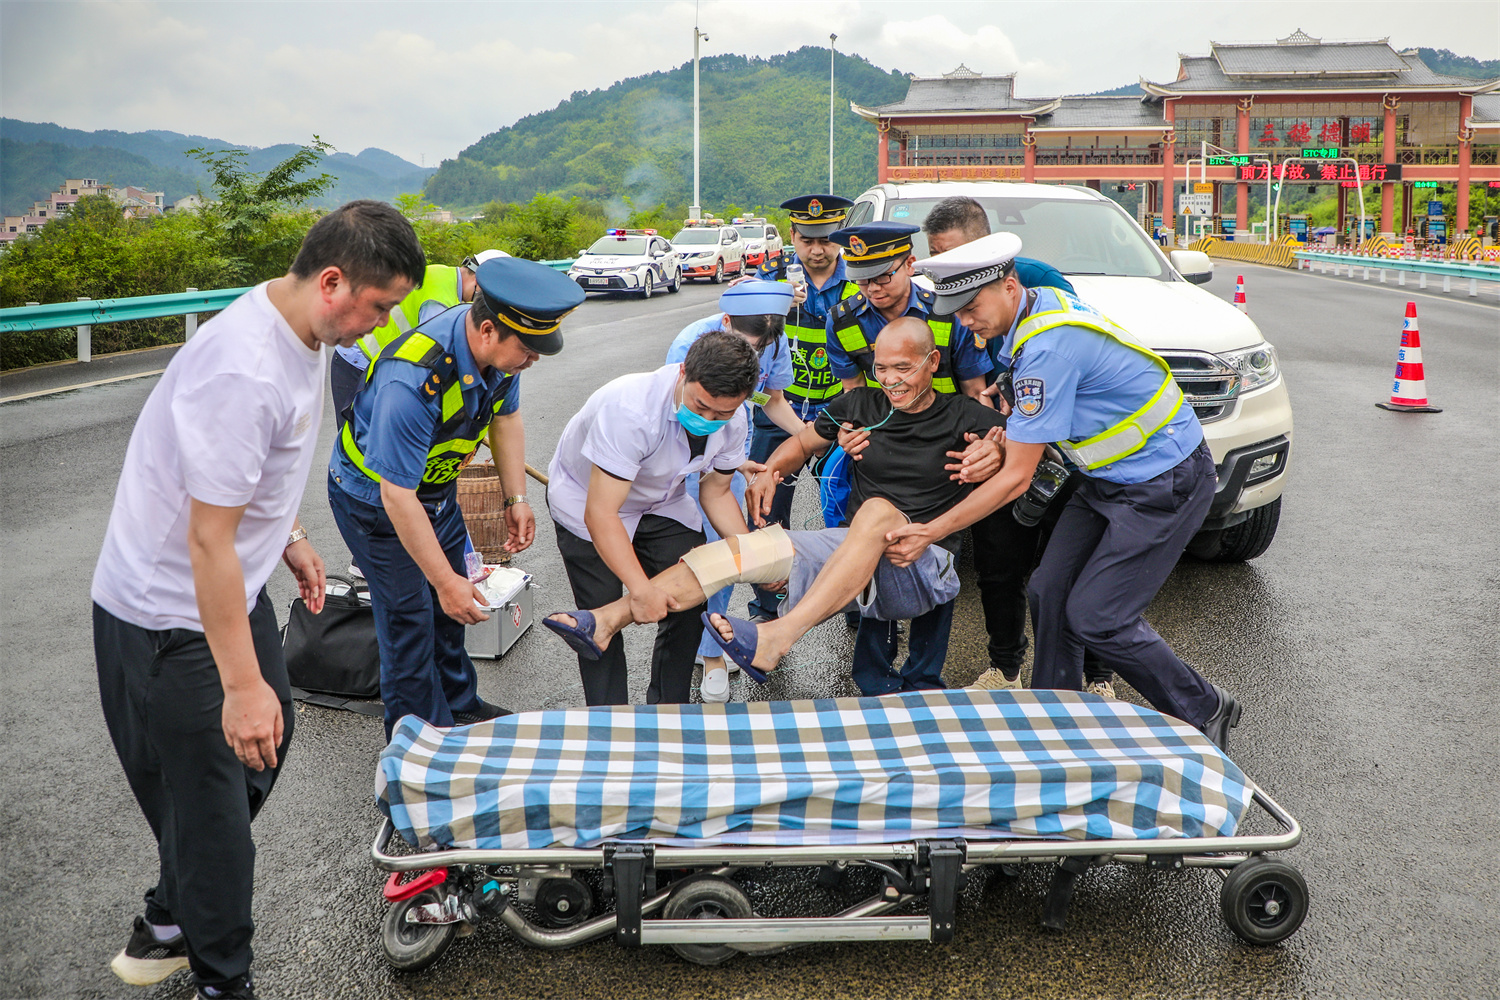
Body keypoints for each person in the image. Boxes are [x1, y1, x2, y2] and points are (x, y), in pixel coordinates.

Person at [92, 200, 425, 1000]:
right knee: (216, 814)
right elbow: (207, 539)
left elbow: (238, 484)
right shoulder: (243, 365)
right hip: (169, 614)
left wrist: (291, 537)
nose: (380, 326)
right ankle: (219, 976)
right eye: (378, 308)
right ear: (336, 281)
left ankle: (174, 913)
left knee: (267, 743)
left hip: (226, 590)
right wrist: (238, 687)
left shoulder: (298, 325)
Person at [545, 318, 1009, 694]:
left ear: (931, 363)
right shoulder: (859, 404)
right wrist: (769, 475)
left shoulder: (968, 418)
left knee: (878, 512)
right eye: (882, 368)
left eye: (903, 368)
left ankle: (777, 637)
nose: (890, 380)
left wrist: (1001, 450)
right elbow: (800, 443)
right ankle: (605, 623)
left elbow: (1034, 454)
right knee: (732, 552)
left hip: (920, 558)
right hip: (849, 550)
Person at [921, 231, 1243, 752]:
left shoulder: (1049, 347)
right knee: (1049, 590)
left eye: (972, 308)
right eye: (956, 312)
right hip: (1106, 477)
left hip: (1164, 481)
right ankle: (1057, 718)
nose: (965, 322)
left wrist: (932, 531)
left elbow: (1014, 478)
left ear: (1008, 285)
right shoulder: (1035, 306)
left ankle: (1203, 706)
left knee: (1099, 617)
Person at [328, 255, 583, 739]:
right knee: (410, 619)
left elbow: (506, 417)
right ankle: (421, 746)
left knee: (455, 605)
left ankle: (460, 707)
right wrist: (442, 580)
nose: (532, 360)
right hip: (376, 504)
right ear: (487, 330)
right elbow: (397, 496)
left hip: (437, 491)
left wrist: (516, 499)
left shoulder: (503, 347)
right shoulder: (415, 376)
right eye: (528, 352)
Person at [919, 196, 1113, 697]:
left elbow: (1054, 360)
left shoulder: (1039, 281)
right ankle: (1005, 668)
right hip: (992, 437)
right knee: (998, 566)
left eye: (957, 256)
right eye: (938, 259)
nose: (949, 274)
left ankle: (1097, 676)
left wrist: (1007, 394)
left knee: (1069, 573)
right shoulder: (940, 295)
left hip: (1052, 448)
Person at [543, 332, 762, 706]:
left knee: (693, 597)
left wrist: (753, 554)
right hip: (588, 501)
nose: (708, 420)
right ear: (682, 372)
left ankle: (669, 707)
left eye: (721, 413)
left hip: (662, 501)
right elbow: (601, 513)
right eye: (700, 405)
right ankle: (609, 720)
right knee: (598, 619)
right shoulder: (629, 410)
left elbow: (717, 492)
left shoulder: (735, 420)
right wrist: (641, 591)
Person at [824, 220, 996, 690]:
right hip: (880, 456)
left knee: (934, 562)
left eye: (883, 276)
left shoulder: (948, 312)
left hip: (943, 457)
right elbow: (853, 401)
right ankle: (873, 677)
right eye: (862, 279)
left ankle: (923, 679)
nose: (872, 289)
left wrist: (988, 444)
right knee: (874, 558)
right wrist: (846, 435)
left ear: (909, 263)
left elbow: (975, 391)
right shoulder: (843, 319)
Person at [666, 281, 802, 702]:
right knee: (688, 554)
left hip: (728, 455)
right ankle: (697, 643)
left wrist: (810, 439)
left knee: (722, 553)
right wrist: (716, 456)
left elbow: (770, 399)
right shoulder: (690, 343)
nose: (756, 354)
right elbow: (679, 414)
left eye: (763, 347)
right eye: (748, 342)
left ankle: (711, 656)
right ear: (726, 321)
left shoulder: (773, 342)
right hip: (684, 458)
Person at [746, 194, 860, 619]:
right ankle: (767, 605)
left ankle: (852, 598)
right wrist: (771, 301)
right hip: (778, 411)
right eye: (807, 239)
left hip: (839, 412)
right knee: (767, 510)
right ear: (792, 235)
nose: (817, 249)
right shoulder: (771, 276)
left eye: (827, 239)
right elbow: (741, 339)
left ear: (841, 240)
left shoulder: (859, 280)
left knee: (848, 507)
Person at [330, 248, 510, 426]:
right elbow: (434, 358)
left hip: (376, 362)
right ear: (479, 281)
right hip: (358, 360)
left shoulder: (445, 275)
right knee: (356, 440)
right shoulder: (439, 301)